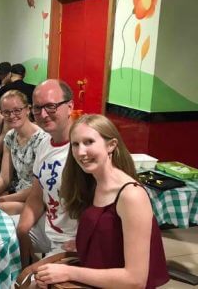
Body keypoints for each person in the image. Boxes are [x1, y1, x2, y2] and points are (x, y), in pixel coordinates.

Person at [31, 114, 169, 288]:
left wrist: (69, 272)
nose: (81, 152)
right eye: (75, 144)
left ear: (111, 145)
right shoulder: (91, 183)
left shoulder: (131, 195)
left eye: (89, 142)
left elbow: (136, 280)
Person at [17, 79, 77, 268]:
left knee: (26, 282)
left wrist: (85, 242)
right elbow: (36, 195)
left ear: (70, 107)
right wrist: (22, 229)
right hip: (48, 227)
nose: (43, 114)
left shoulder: (83, 148)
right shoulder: (45, 143)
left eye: (51, 106)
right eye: (37, 108)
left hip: (72, 241)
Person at [0, 90, 46, 216]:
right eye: (6, 112)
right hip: (19, 194)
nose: (12, 115)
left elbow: (39, 188)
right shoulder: (10, 137)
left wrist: (4, 199)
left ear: (28, 109)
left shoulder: (42, 140)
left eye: (17, 110)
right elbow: (4, 178)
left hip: (38, 199)